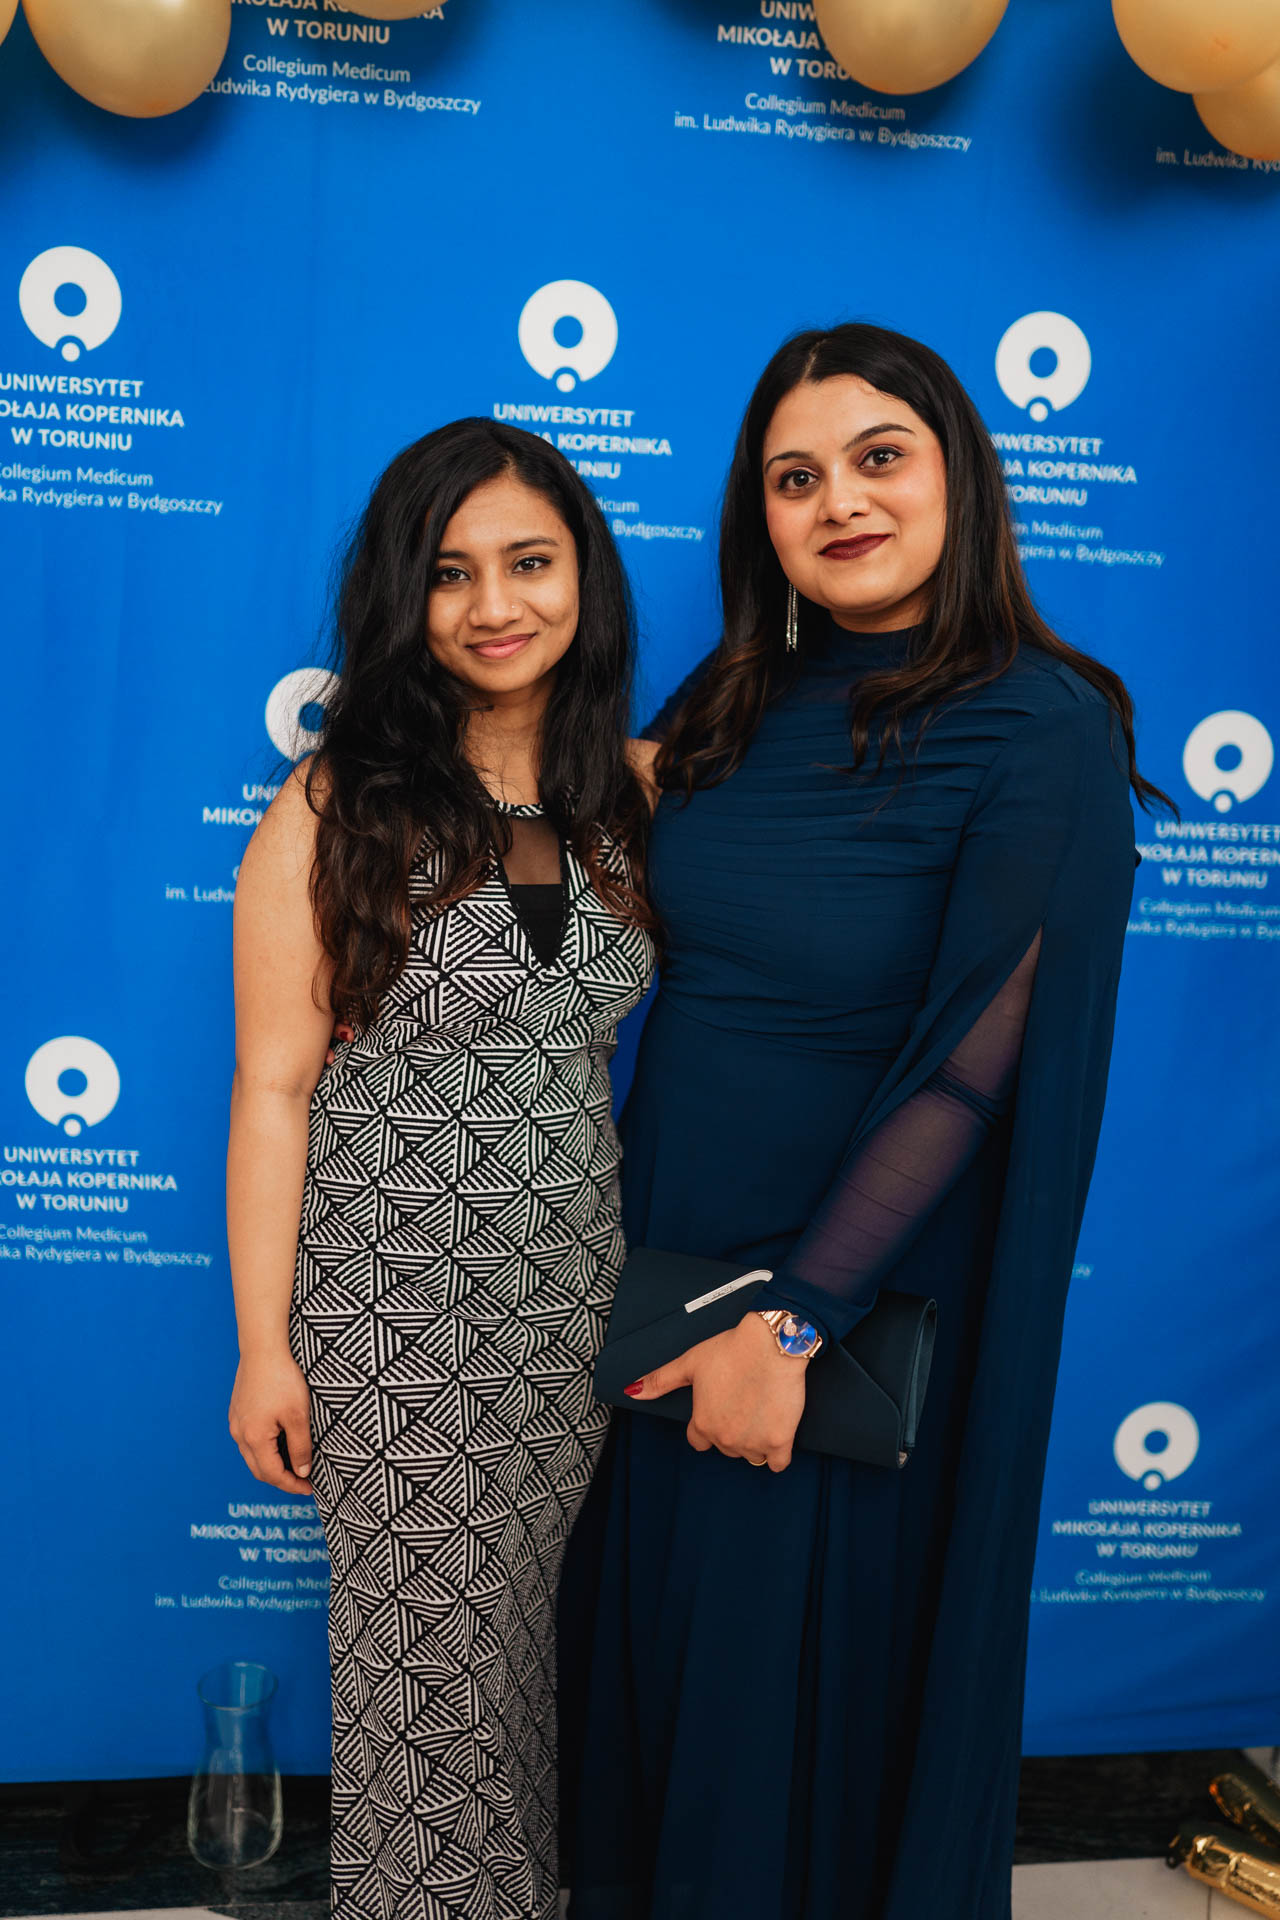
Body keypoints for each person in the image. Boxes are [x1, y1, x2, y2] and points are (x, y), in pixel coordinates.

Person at [558, 325, 1164, 1920]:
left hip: (844, 1302)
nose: (839, 502)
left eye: (879, 458)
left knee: (790, 1731)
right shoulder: (731, 702)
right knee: (670, 1701)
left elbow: (975, 1066)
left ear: (961, 472)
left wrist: (796, 1323)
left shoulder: (1043, 725)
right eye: (795, 477)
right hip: (665, 1276)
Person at [225, 419, 655, 1920]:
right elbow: (273, 1089)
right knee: (424, 1697)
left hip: (572, 1319)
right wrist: (263, 1350)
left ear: (584, 577)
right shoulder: (335, 804)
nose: (494, 605)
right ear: (403, 598)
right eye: (452, 573)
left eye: (529, 562)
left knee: (513, 1674)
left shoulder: (630, 800)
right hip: (398, 1316)